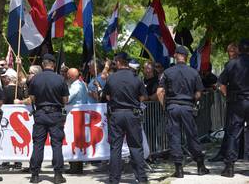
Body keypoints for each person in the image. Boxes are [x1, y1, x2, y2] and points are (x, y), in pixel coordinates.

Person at [156, 46, 209, 178]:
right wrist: (192, 100)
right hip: (187, 107)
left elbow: (159, 92)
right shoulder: (193, 72)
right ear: (185, 57)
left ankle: (179, 169)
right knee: (192, 135)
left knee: (174, 137)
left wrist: (164, 106)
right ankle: (200, 166)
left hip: (172, 107)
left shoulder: (167, 72)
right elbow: (198, 93)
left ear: (176, 55)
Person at [103, 52, 148, 184]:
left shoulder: (111, 78)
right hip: (132, 114)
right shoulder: (136, 78)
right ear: (127, 62)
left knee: (115, 148)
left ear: (118, 62)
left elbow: (107, 96)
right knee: (135, 147)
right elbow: (143, 97)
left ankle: (114, 179)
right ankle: (142, 178)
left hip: (116, 114)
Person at [28, 54, 69, 184]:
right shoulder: (60, 79)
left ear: (43, 64)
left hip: (40, 113)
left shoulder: (35, 79)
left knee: (38, 144)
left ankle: (34, 175)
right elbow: (65, 100)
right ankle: (58, 175)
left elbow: (32, 99)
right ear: (53, 64)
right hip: (55, 114)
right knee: (57, 145)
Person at [218, 39, 249, 177]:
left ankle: (229, 167)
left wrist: (227, 97)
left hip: (237, 102)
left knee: (233, 133)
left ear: (239, 50)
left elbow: (222, 85)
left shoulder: (232, 64)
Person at [66, 67, 87, 175]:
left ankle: (75, 167)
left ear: (72, 76)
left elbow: (67, 99)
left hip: (75, 116)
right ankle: (78, 166)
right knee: (78, 140)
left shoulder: (76, 86)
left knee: (73, 140)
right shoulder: (81, 84)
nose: (66, 76)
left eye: (68, 74)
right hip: (79, 115)